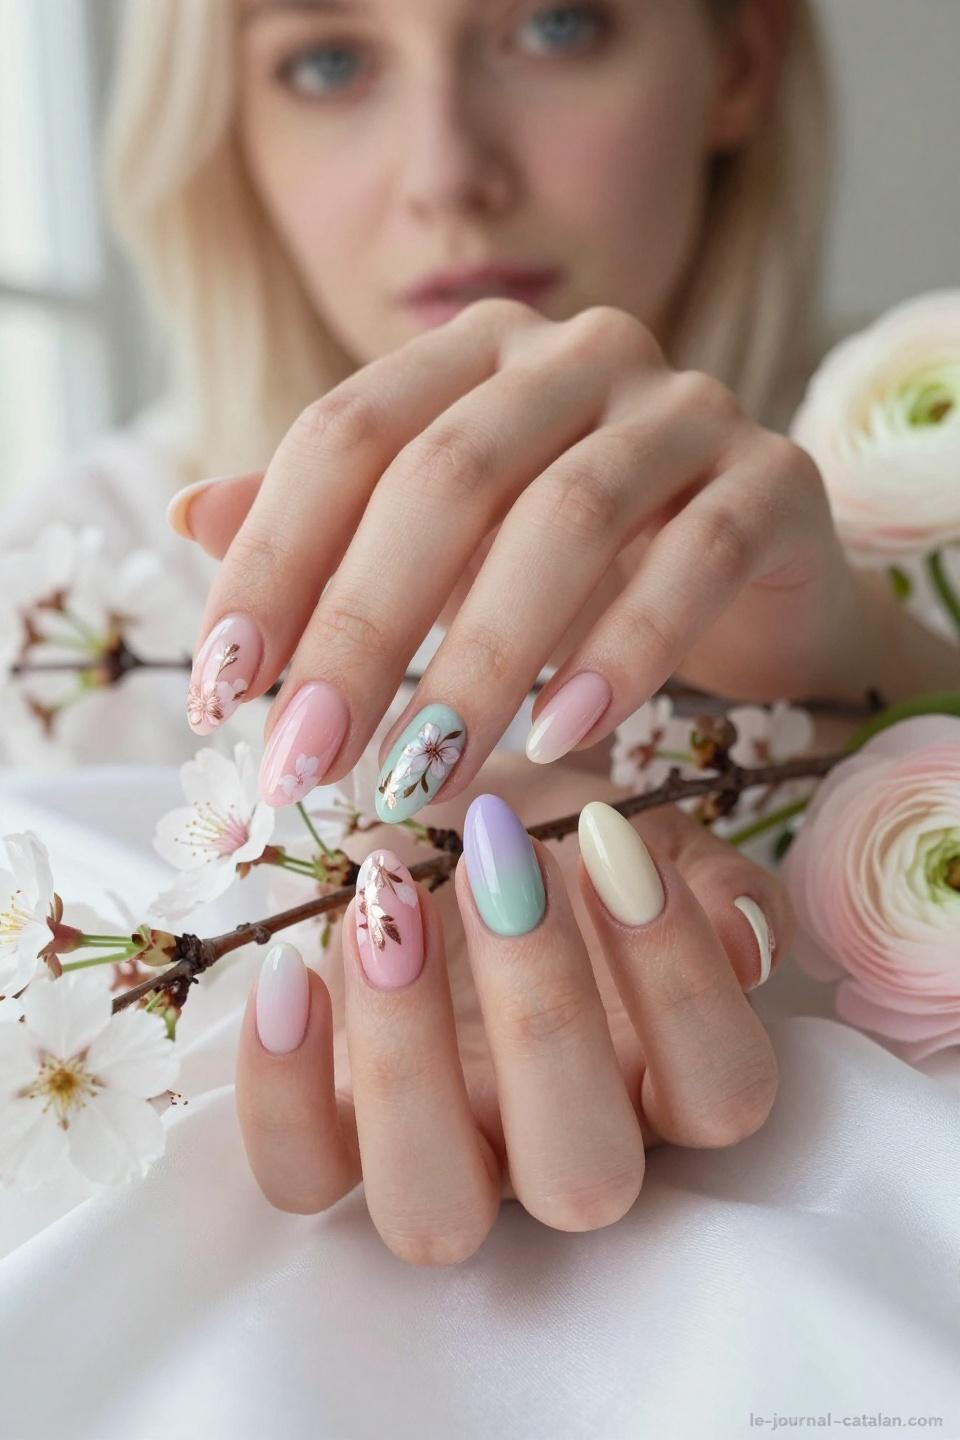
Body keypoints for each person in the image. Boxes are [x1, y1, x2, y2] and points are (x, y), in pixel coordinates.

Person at [1, 0, 957, 1267]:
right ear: (229, 126)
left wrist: (871, 680)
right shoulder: (73, 596)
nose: (449, 172)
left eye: (555, 27)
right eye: (328, 62)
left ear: (737, 60)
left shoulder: (917, 471)